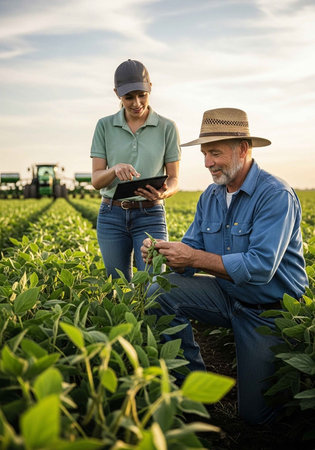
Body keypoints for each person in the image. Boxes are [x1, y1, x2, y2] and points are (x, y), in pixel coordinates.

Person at [141, 107, 308, 425]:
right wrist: (165, 253)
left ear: (243, 149)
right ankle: (193, 393)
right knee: (159, 292)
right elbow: (192, 252)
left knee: (256, 418)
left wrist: (192, 258)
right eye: (204, 154)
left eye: (214, 153)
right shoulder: (211, 197)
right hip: (228, 296)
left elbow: (260, 268)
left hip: (269, 311)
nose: (207, 163)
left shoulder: (275, 195)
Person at [90, 59, 181, 281]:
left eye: (142, 94)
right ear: (117, 94)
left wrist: (164, 192)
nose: (136, 103)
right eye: (128, 97)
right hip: (112, 215)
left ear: (150, 87)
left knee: (153, 283)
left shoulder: (167, 127)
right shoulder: (104, 126)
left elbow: (175, 178)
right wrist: (114, 170)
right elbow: (96, 179)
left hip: (150, 215)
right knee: (117, 284)